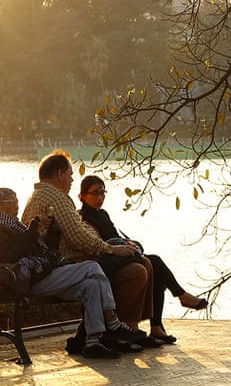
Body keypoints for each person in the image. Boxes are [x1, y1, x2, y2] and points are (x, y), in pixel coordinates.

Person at [0, 187, 145, 359]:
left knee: (92, 285)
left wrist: (51, 231)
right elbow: (11, 254)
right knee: (91, 267)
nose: (17, 205)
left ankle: (93, 343)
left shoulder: (14, 226)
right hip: (28, 281)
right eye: (12, 202)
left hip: (41, 275)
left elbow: (36, 249)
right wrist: (31, 232)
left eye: (16, 200)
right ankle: (113, 322)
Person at [20, 150, 154, 352]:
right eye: (70, 174)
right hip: (47, 271)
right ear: (60, 174)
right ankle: (115, 326)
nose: (72, 179)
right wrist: (110, 249)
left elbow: (76, 232)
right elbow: (77, 235)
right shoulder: (56, 197)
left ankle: (93, 342)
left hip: (47, 269)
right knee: (99, 267)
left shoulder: (37, 195)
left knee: (92, 285)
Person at [78, 175, 208, 345]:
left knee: (154, 262)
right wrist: (119, 247)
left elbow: (114, 237)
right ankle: (174, 302)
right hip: (108, 262)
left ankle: (156, 326)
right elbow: (97, 245)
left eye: (103, 193)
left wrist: (127, 243)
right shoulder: (82, 217)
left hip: (119, 255)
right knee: (150, 263)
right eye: (95, 193)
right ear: (82, 196)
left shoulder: (102, 214)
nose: (100, 197)